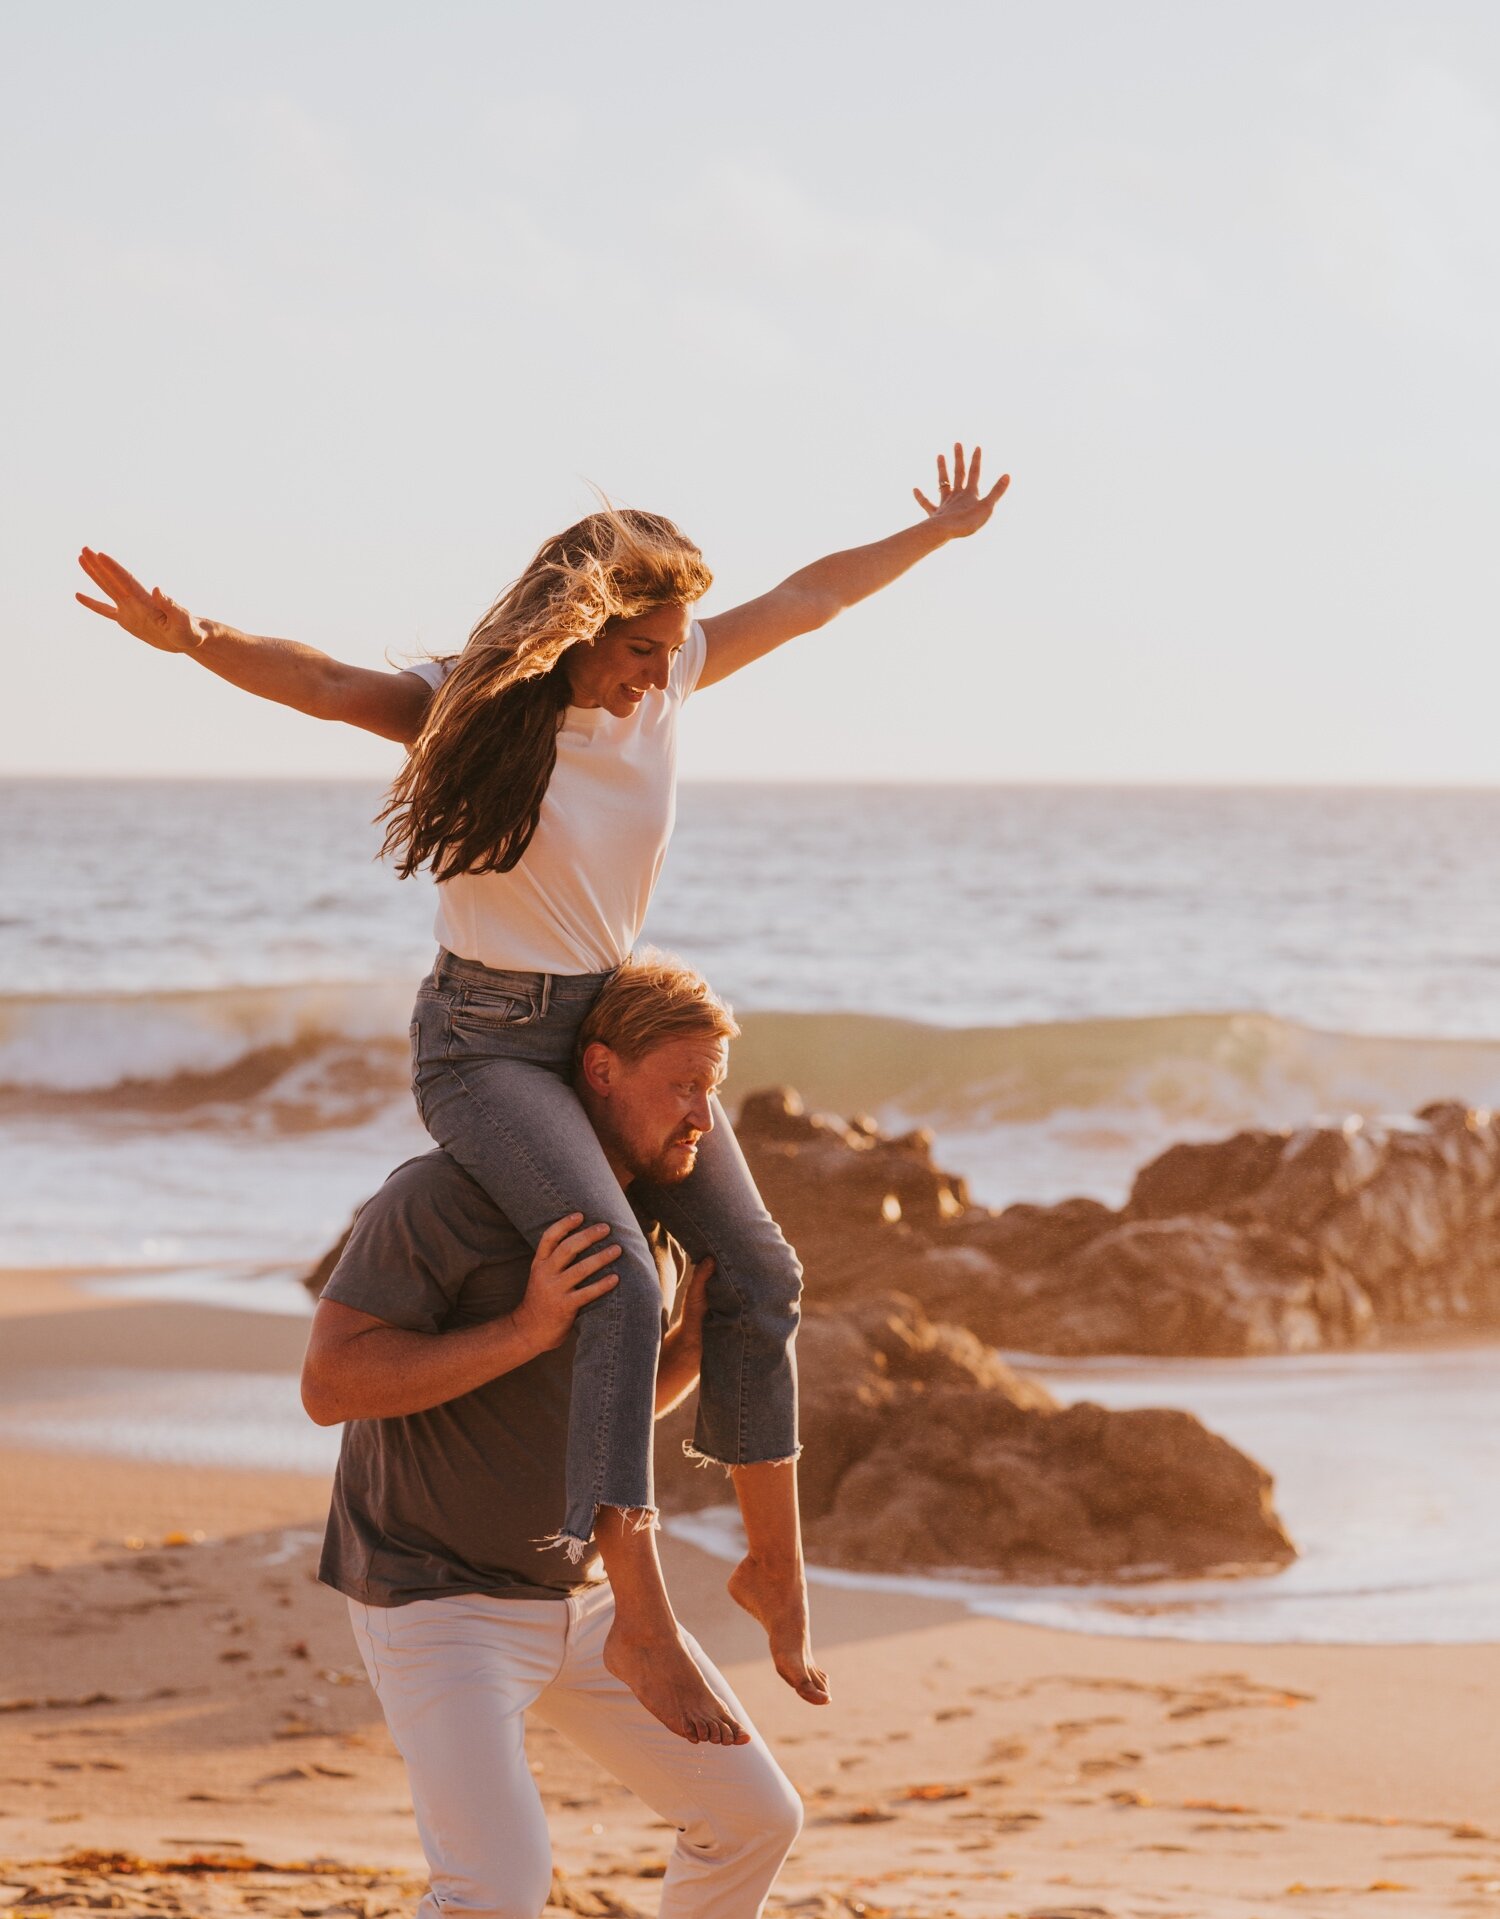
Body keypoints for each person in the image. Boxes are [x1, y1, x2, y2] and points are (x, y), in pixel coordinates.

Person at [76, 444, 1009, 1736]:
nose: (657, 672)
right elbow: (327, 681)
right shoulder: (476, 701)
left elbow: (809, 600)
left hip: (606, 1027)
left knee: (762, 1267)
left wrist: (938, 538)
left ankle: (770, 1562)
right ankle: (637, 1613)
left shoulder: (669, 677)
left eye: (671, 647)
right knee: (620, 1278)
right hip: (486, 1043)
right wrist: (194, 638)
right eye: (640, 647)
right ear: (581, 625)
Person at [299, 958, 804, 1919]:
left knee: (749, 1813)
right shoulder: (442, 1199)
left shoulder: (650, 1209)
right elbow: (333, 1383)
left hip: (576, 1591)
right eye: (684, 1087)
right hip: (435, 1597)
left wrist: (685, 1346)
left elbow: (605, 1422)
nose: (705, 1117)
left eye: (717, 1090)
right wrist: (527, 1325)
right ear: (598, 1069)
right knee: (499, 1884)